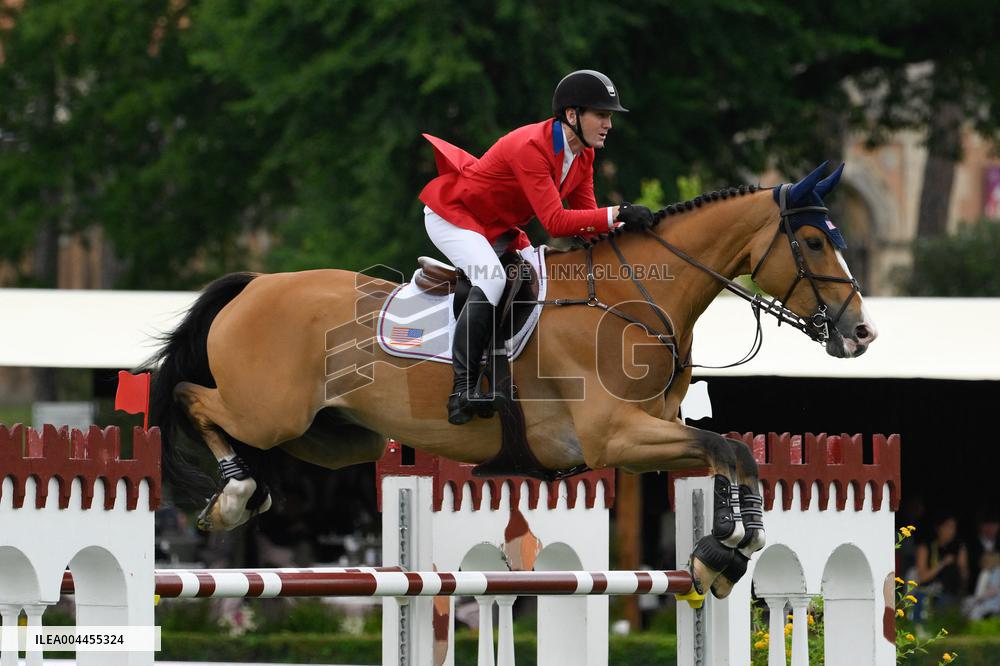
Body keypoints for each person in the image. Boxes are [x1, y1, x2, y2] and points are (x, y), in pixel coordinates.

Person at [419, 70, 654, 425]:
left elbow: (587, 223)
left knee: (540, 276)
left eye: (609, 116)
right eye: (601, 115)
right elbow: (557, 222)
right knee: (493, 279)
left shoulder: (584, 155)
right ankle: (462, 390)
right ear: (572, 115)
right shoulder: (532, 147)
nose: (609, 124)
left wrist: (627, 230)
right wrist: (617, 212)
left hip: (499, 227)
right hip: (455, 215)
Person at [916, 514, 970, 613]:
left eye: (953, 527)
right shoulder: (926, 546)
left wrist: (962, 568)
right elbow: (922, 577)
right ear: (938, 528)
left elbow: (964, 578)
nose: (951, 531)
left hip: (952, 593)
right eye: (948, 527)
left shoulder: (958, 547)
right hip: (928, 593)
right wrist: (942, 563)